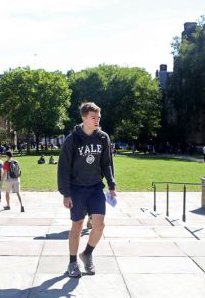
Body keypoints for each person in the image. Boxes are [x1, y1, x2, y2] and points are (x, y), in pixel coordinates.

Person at [57, 102, 117, 278]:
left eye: (98, 117)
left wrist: (112, 186)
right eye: (93, 117)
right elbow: (63, 168)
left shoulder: (103, 138)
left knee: (99, 225)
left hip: (95, 188)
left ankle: (87, 253)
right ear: (84, 117)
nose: (97, 120)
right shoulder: (72, 139)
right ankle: (72, 262)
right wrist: (66, 193)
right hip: (76, 189)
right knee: (77, 225)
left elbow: (107, 163)